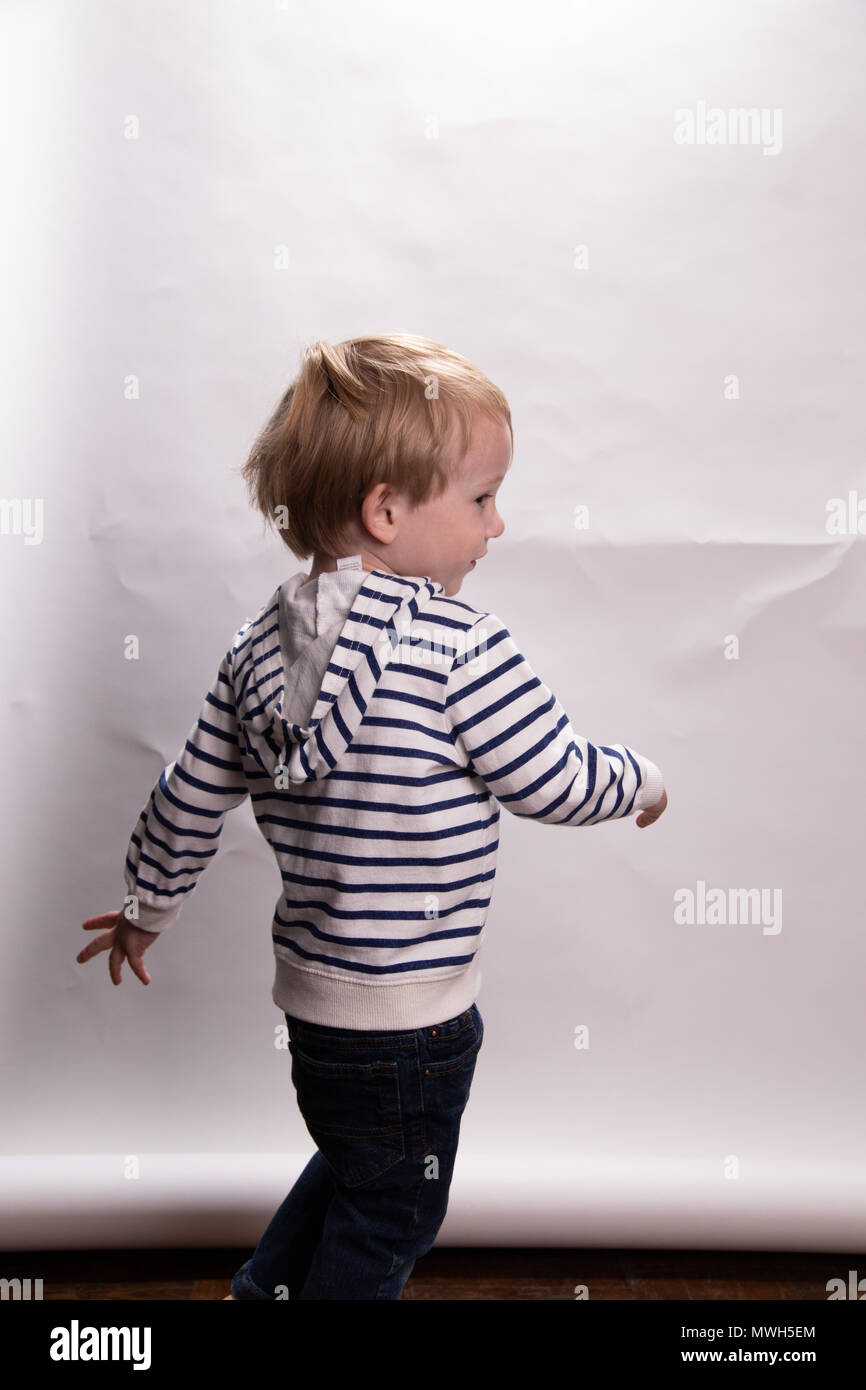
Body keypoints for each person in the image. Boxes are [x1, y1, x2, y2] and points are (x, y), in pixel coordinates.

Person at [77, 333, 668, 1300]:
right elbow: (552, 778)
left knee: (360, 1168)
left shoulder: (256, 647)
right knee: (395, 1209)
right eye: (482, 498)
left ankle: (261, 1293)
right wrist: (639, 779)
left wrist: (148, 903)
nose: (499, 524)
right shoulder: (460, 646)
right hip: (416, 1018)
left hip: (315, 1011)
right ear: (386, 511)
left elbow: (188, 793)